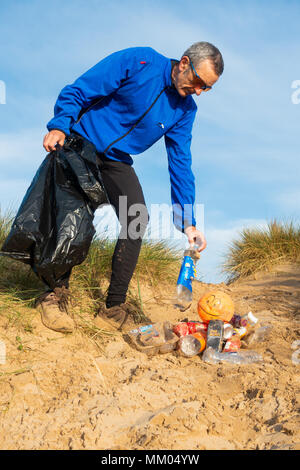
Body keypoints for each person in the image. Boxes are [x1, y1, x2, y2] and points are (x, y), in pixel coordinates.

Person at [38, 42, 224, 333]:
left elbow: (180, 163)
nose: (199, 91)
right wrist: (60, 125)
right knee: (74, 214)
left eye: (207, 88)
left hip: (115, 160)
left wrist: (188, 223)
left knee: (137, 218)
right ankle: (54, 295)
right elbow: (81, 88)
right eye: (199, 81)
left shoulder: (185, 110)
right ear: (185, 62)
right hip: (81, 142)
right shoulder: (141, 61)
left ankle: (113, 307)